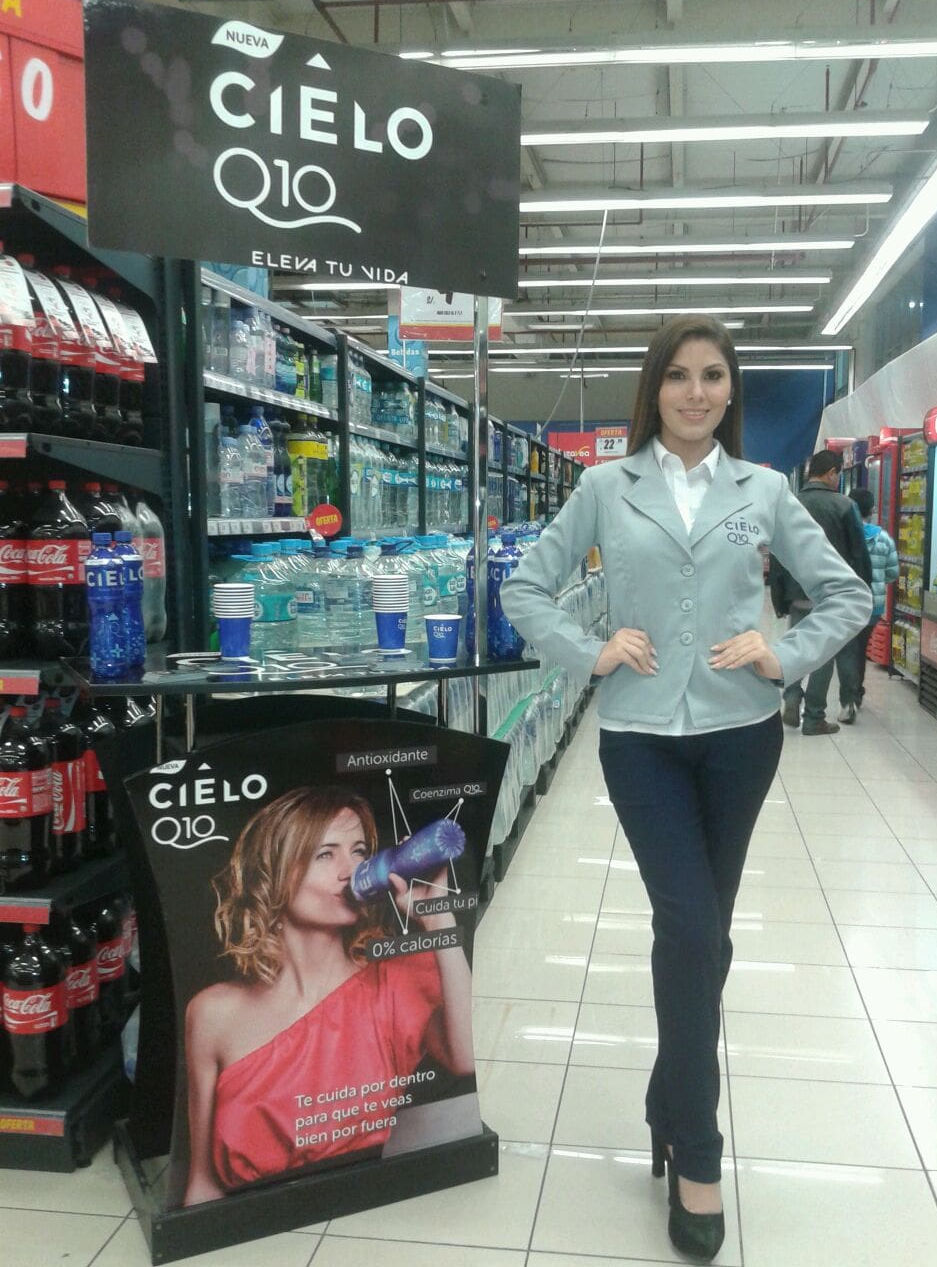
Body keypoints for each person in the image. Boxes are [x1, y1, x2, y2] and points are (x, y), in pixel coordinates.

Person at [500, 315, 872, 1262]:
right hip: (641, 741)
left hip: (743, 739)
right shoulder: (602, 488)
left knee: (708, 928)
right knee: (693, 926)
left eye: (714, 377)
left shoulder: (766, 490)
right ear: (652, 389)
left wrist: (782, 655)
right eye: (679, 376)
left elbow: (848, 596)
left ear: (731, 391)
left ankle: (669, 1100)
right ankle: (697, 1143)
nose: (697, 393)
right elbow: (525, 590)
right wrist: (590, 652)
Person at [182, 786, 475, 1206]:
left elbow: (464, 1059)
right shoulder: (213, 1014)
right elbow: (204, 1182)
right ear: (275, 872)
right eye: (326, 854)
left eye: (359, 851)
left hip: (362, 1212)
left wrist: (439, 919)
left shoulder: (393, 982)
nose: (351, 869)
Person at [768, 450, 873, 733]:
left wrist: (779, 596)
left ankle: (791, 696)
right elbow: (858, 554)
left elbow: (777, 557)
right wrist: (861, 594)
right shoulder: (844, 505)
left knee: (794, 642)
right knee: (821, 653)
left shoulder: (791, 502)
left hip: (796, 592)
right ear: (832, 474)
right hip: (830, 593)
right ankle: (814, 716)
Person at [848, 487, 900, 710]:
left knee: (848, 648)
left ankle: (849, 691)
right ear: (872, 510)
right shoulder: (884, 538)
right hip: (873, 606)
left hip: (847, 604)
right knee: (860, 648)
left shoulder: (844, 536)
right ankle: (855, 690)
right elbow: (892, 574)